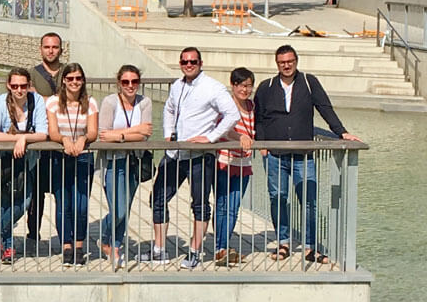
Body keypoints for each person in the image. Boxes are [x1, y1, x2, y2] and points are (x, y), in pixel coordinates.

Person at [254, 44, 361, 265]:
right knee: (278, 198)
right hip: (275, 155)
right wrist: (261, 144)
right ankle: (283, 242)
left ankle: (311, 247)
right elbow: (259, 118)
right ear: (277, 64)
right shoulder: (267, 87)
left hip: (304, 156)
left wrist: (341, 132)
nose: (286, 65)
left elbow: (325, 108)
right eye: (282, 62)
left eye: (290, 61)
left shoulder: (309, 83)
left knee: (309, 201)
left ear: (296, 61)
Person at [151, 47, 239, 269]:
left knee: (199, 205)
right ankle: (159, 249)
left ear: (201, 63)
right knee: (157, 198)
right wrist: (168, 134)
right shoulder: (177, 86)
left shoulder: (213, 87)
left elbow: (232, 115)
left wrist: (210, 137)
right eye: (184, 62)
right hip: (175, 153)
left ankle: (195, 251)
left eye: (193, 61)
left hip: (200, 156)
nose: (188, 65)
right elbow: (169, 110)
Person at [0, 67, 49, 264]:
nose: (19, 90)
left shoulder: (36, 101)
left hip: (27, 160)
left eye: (23, 86)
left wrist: (23, 139)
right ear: (8, 86)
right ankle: (8, 246)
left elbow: (43, 133)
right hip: (5, 160)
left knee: (25, 201)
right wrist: (18, 139)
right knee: (6, 201)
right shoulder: (0, 102)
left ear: (29, 86)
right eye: (15, 86)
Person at [97, 65, 154, 268]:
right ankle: (105, 239)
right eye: (126, 82)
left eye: (134, 82)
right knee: (118, 210)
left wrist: (119, 134)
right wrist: (133, 131)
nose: (130, 86)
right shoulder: (110, 102)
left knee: (126, 209)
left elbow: (146, 134)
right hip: (113, 161)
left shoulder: (144, 102)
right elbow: (103, 135)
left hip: (135, 161)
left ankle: (116, 246)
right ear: (118, 83)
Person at [46, 63, 99, 267]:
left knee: (81, 204)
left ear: (83, 80)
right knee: (63, 204)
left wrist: (83, 139)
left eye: (78, 78)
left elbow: (93, 131)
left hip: (84, 156)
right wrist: (65, 140)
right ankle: (66, 246)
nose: (74, 82)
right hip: (60, 156)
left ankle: (79, 245)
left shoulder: (90, 102)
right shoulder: (53, 102)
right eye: (70, 79)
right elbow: (52, 131)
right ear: (64, 81)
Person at [214, 67, 256, 267]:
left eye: (248, 85)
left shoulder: (253, 106)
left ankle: (223, 246)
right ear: (233, 85)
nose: (245, 89)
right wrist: (240, 137)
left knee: (234, 207)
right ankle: (220, 247)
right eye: (241, 85)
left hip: (244, 163)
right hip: (224, 161)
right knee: (222, 205)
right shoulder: (226, 106)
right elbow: (224, 129)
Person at [26, 32, 64, 244]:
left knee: (61, 193)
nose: (51, 51)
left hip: (63, 140)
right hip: (40, 140)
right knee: (36, 193)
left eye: (55, 47)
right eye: (47, 47)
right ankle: (33, 236)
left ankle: (65, 238)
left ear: (61, 49)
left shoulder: (69, 71)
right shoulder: (32, 73)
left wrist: (43, 98)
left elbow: (74, 98)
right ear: (41, 49)